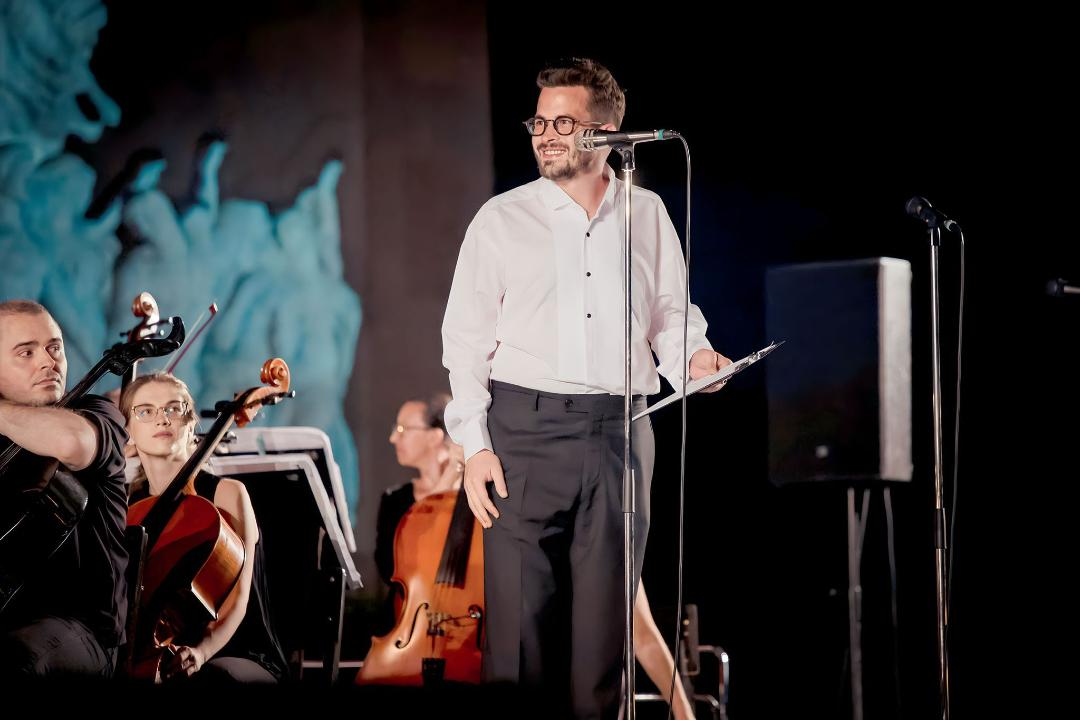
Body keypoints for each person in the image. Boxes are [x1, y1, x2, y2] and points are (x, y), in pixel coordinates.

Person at [441, 57, 731, 718]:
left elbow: (670, 317)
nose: (545, 135)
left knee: (603, 648)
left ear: (604, 133)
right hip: (523, 435)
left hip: (619, 435)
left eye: (563, 123)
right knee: (522, 645)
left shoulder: (647, 213)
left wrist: (696, 359)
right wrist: (474, 446)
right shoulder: (501, 219)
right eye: (539, 122)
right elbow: (464, 342)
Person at [120, 371, 287, 683]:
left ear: (191, 424)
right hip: (156, 648)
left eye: (174, 408)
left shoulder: (227, 494)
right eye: (145, 411)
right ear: (128, 431)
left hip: (234, 651)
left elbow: (238, 602)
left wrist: (200, 652)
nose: (162, 419)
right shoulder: (131, 506)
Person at [0, 300, 129, 679]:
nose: (48, 361)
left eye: (54, 347)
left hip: (81, 631)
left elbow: (73, 443)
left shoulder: (97, 413)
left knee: (14, 657)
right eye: (26, 352)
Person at [372, 394, 464, 625]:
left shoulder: (471, 495)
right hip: (408, 621)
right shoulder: (394, 500)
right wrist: (452, 471)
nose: (393, 438)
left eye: (403, 429)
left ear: (434, 437)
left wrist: (457, 470)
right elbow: (388, 569)